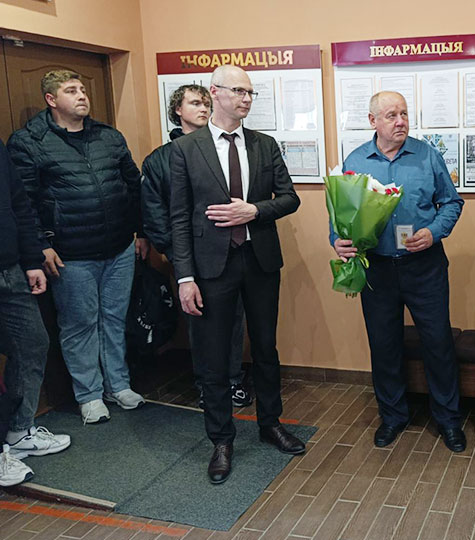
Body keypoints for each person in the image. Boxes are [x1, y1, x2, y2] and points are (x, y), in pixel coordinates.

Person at [170, 65, 303, 484]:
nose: (246, 99)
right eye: (239, 91)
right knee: (213, 356)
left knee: (265, 347)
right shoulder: (186, 149)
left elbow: (290, 198)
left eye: (250, 93)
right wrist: (184, 277)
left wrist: (254, 211)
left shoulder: (264, 145)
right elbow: (178, 218)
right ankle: (221, 440)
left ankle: (270, 423)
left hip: (259, 260)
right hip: (211, 267)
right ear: (215, 93)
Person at [7, 70, 149, 424]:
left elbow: (134, 186)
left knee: (114, 319)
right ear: (51, 99)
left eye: (83, 89)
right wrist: (41, 245)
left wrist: (141, 232)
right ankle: (89, 395)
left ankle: (118, 385)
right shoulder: (29, 142)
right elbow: (23, 201)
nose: (82, 95)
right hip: (70, 255)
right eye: (71, 90)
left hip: (118, 247)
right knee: (79, 324)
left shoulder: (108, 136)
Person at [333, 91, 466, 452]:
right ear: (372, 121)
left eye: (404, 113)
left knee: (438, 343)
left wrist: (433, 232)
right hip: (377, 269)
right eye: (391, 115)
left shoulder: (427, 155)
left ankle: (448, 419)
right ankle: (392, 416)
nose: (401, 121)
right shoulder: (356, 160)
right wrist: (337, 240)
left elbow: (452, 202)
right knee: (384, 345)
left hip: (424, 267)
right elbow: (340, 214)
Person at [141, 84, 252, 410]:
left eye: (206, 102)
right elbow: (155, 213)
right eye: (194, 103)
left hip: (229, 251)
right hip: (189, 257)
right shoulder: (160, 160)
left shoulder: (225, 149)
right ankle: (208, 386)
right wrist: (176, 254)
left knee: (234, 320)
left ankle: (232, 380)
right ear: (178, 110)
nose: (203, 108)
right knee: (201, 323)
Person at [0, 139, 71, 487]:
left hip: (10, 267)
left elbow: (18, 204)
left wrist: (31, 260)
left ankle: (18, 431)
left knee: (32, 343)